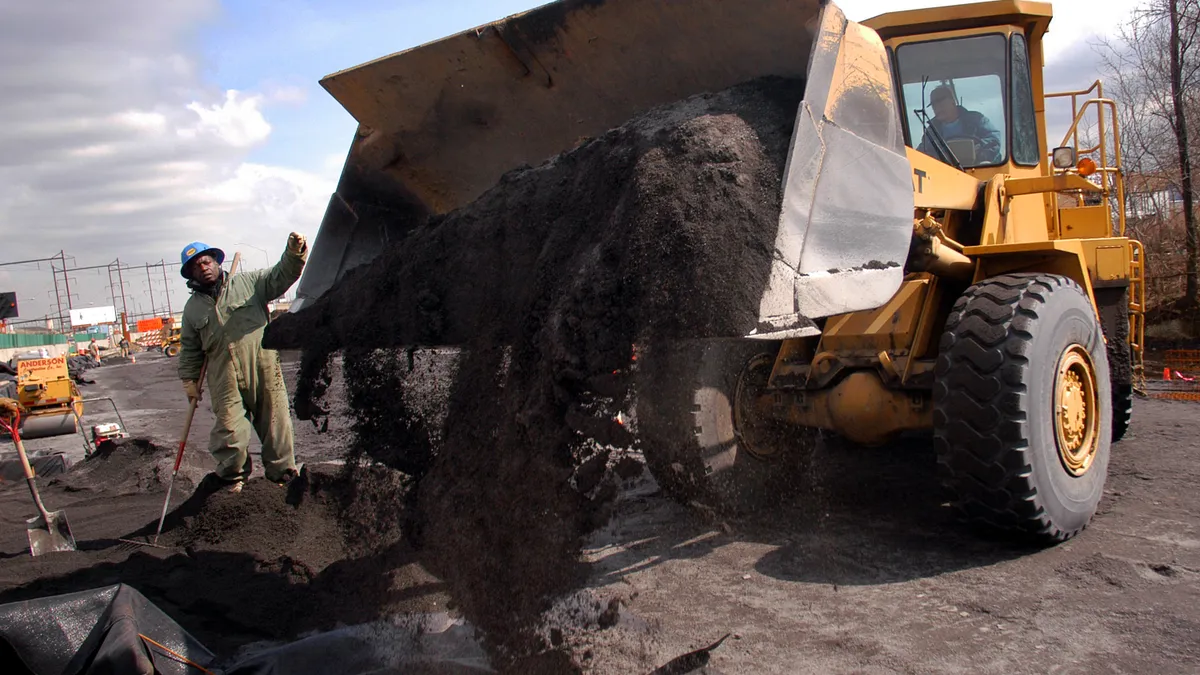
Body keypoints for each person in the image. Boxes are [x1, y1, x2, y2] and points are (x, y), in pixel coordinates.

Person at [177, 234, 308, 491]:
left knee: (276, 425)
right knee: (230, 431)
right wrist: (189, 380)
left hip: (264, 368)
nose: (203, 267)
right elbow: (190, 349)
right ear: (190, 273)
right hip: (222, 377)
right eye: (196, 266)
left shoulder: (250, 283)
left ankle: (282, 478)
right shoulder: (192, 309)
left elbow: (281, 275)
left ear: (216, 261)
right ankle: (232, 482)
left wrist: (294, 252)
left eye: (206, 261)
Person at [917, 84, 1002, 165]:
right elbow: (921, 152)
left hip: (976, 170)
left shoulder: (976, 120)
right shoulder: (931, 131)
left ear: (952, 102)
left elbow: (994, 140)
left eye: (940, 102)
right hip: (944, 174)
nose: (937, 107)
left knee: (985, 165)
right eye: (934, 105)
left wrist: (978, 151)